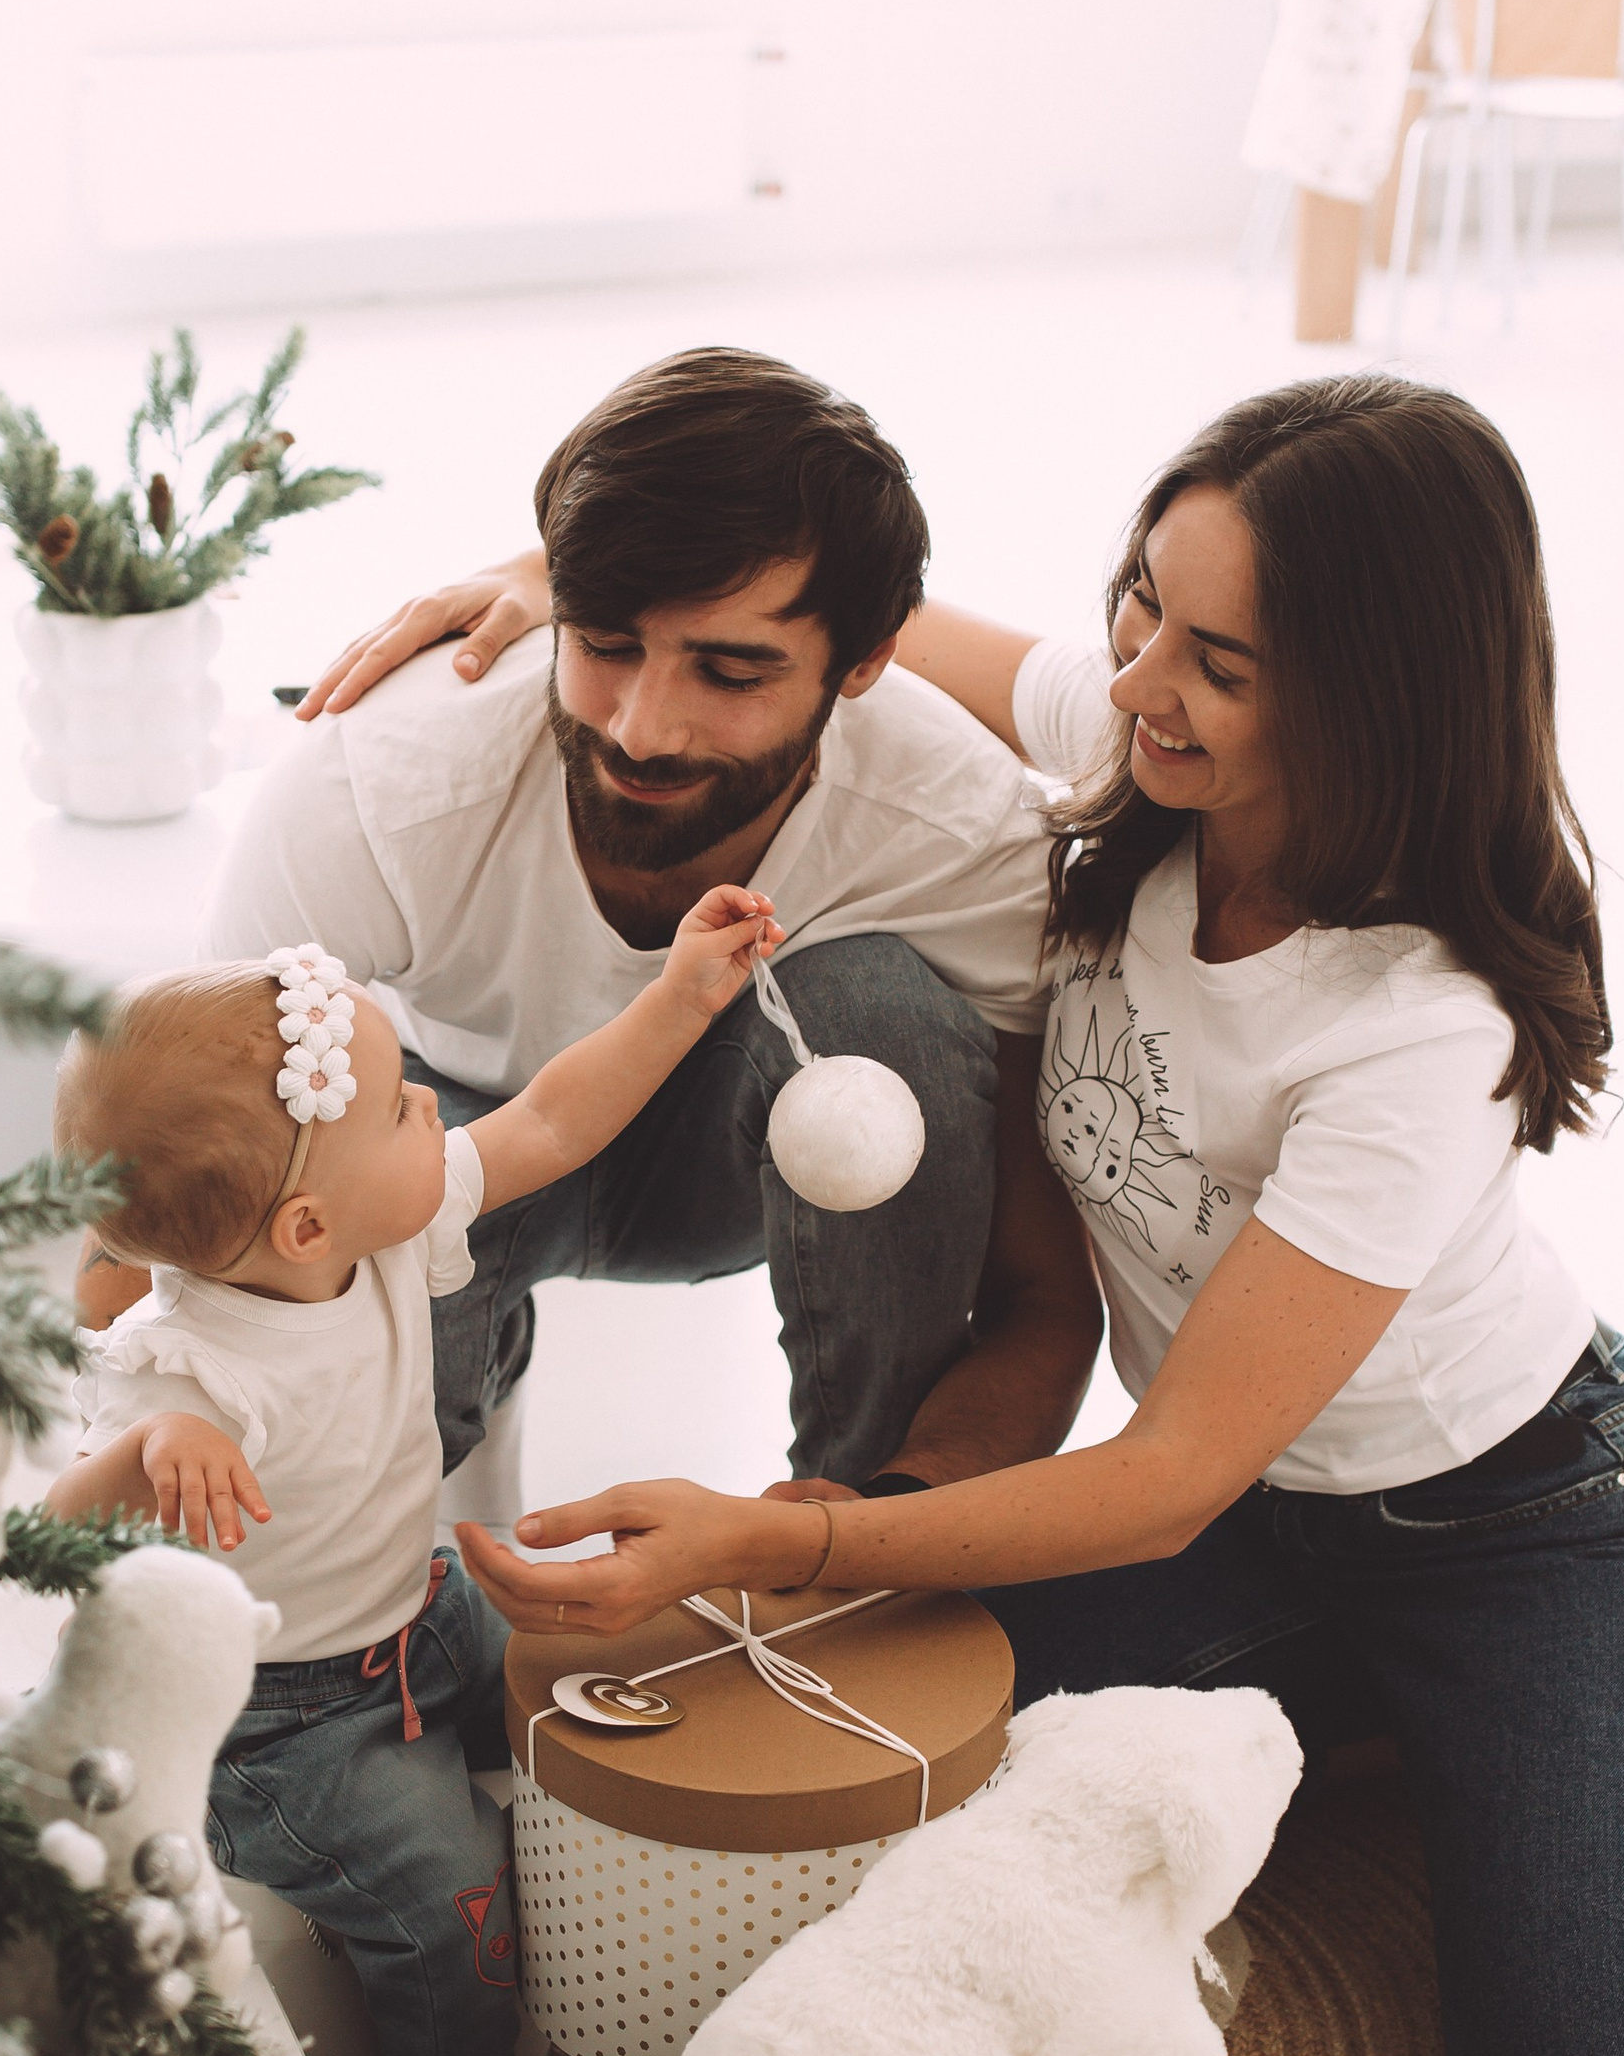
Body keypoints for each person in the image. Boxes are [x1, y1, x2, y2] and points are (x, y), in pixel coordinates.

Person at [437, 375, 1624, 2056]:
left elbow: (1176, 1470)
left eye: (1216, 659)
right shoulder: (1146, 761)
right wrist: (562, 598)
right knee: (862, 1754)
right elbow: (841, 623)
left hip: (1534, 1535)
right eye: (1139, 609)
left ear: (1372, 691)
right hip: (1277, 1533)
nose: (1133, 684)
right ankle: (1363, 1727)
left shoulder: (1421, 1027)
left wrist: (787, 1533)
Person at [185, 348, 1096, 1503]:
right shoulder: (377, 782)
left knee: (882, 1019)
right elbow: (172, 1196)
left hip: (735, 1162)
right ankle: (446, 1398)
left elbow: (1042, 1300)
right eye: (606, 643)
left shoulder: (960, 826)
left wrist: (881, 1527)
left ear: (863, 663)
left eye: (730, 672)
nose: (644, 729)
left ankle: (858, 1566)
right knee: (328, 1228)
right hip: (453, 1144)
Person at [45, 886, 783, 2056]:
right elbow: (60, 1533)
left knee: (605, 1689)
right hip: (282, 1723)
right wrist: (153, 1449)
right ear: (304, 1222)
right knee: (450, 1911)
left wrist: (678, 995)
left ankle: (638, 1936)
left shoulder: (371, 1229)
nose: (432, 1108)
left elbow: (551, 1118)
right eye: (398, 1108)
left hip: (414, 1606)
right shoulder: (190, 1372)